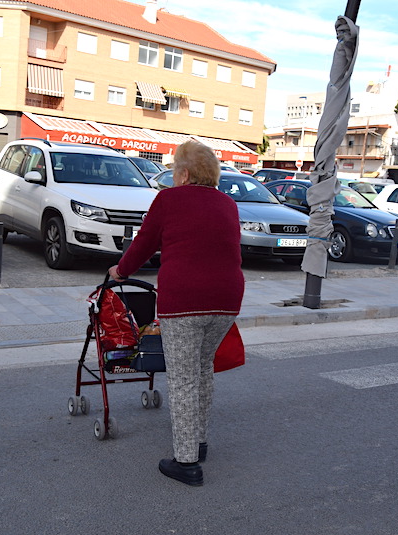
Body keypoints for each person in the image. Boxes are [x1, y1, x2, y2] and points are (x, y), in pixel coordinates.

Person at [108, 141, 244, 487]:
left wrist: (121, 272)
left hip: (184, 300)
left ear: (183, 173)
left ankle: (186, 463)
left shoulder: (168, 200)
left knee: (182, 377)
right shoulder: (228, 203)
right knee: (202, 370)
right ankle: (198, 443)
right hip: (226, 299)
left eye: (173, 170)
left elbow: (143, 244)